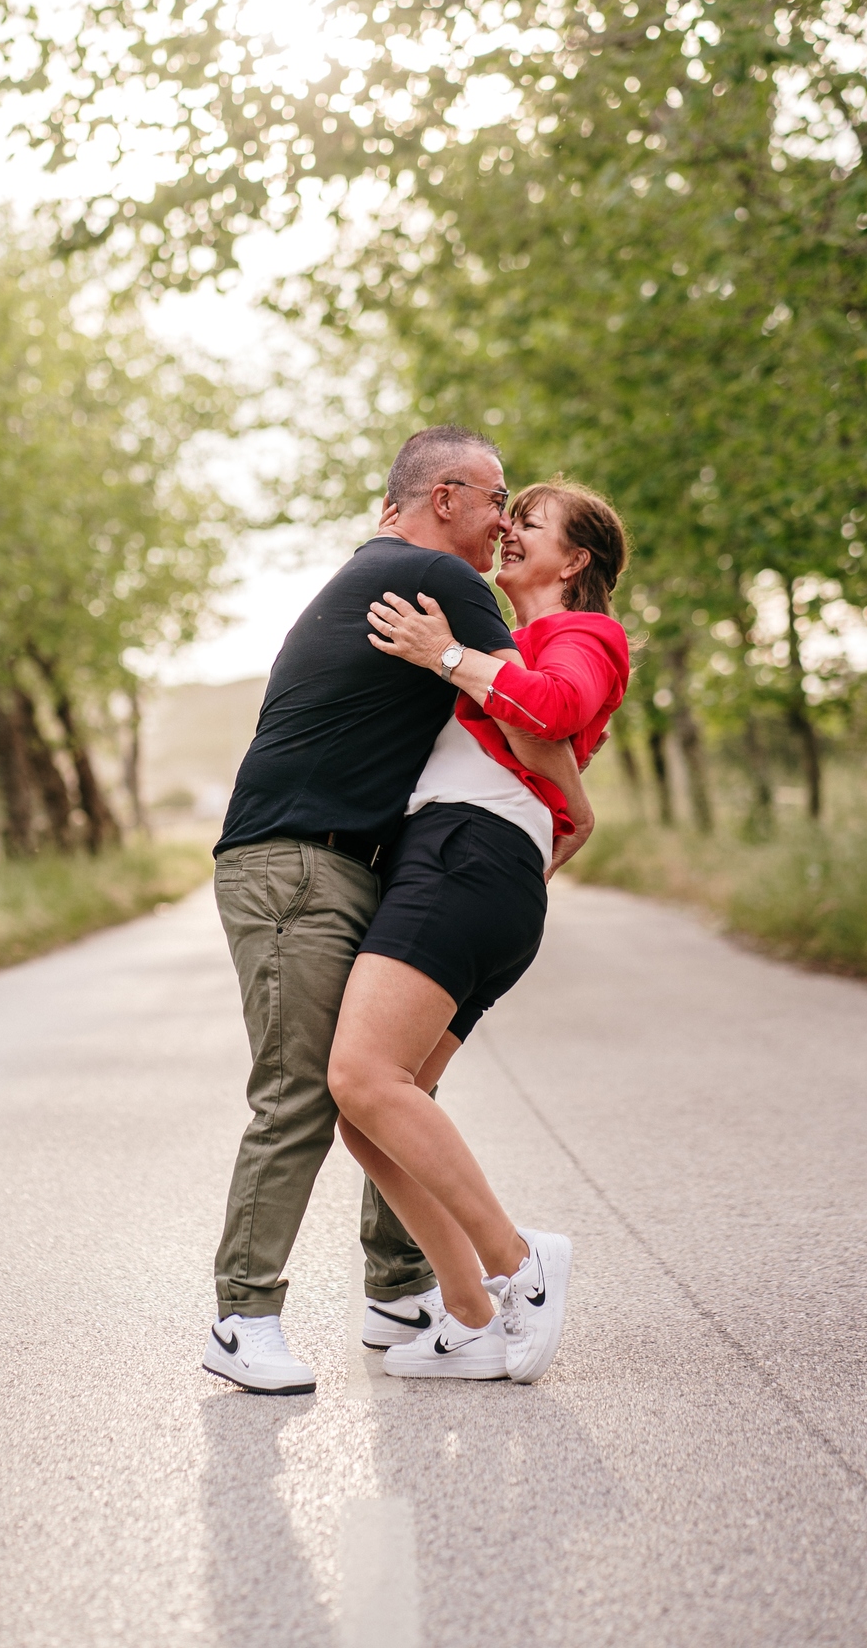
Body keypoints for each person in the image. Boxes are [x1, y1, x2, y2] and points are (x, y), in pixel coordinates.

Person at [202, 428, 593, 1395]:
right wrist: (576, 807)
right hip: (299, 863)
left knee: (382, 1080)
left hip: (334, 859)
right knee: (310, 1087)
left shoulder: (383, 568)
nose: (504, 521)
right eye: (497, 497)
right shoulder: (437, 575)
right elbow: (528, 718)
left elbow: (532, 695)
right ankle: (244, 1317)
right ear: (446, 497)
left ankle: (403, 1292)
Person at [326, 476, 630, 1383]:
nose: (509, 532)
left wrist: (447, 653)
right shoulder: (511, 641)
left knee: (361, 1076)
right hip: (471, 863)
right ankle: (471, 1314)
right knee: (372, 1115)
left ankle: (518, 1262)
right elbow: (543, 748)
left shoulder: (586, 633)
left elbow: (555, 708)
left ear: (575, 560)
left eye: (529, 522)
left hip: (471, 851)